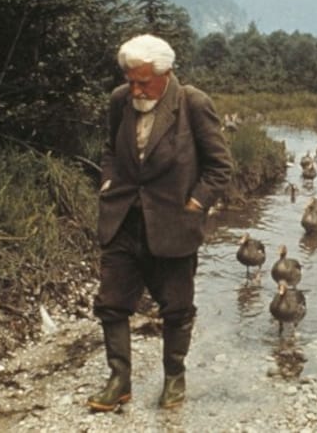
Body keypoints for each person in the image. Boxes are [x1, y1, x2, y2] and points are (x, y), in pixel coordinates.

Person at [88, 34, 233, 411]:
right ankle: (119, 380)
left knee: (176, 307)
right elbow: (109, 148)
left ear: (165, 73)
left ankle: (174, 378)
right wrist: (107, 181)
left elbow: (220, 167)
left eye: (142, 81)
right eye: (129, 80)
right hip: (122, 217)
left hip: (174, 222)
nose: (134, 89)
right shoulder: (120, 100)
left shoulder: (192, 103)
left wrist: (196, 202)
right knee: (112, 302)